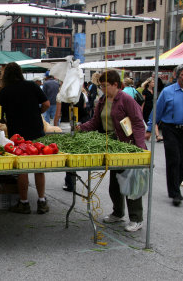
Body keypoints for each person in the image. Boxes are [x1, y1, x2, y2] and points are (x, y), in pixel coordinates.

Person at [77, 70, 147, 232]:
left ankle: (136, 219)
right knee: (115, 183)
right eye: (100, 85)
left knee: (131, 183)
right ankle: (118, 213)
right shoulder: (102, 100)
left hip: (128, 146)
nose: (102, 88)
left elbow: (137, 123)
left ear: (115, 84)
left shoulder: (126, 100)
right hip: (112, 146)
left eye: (104, 85)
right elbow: (95, 122)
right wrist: (81, 128)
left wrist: (138, 147)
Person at [145, 64, 183, 207]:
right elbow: (157, 111)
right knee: (174, 159)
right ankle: (175, 192)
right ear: (177, 76)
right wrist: (149, 128)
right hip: (170, 129)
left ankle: (174, 187)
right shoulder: (167, 92)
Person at [0, 62, 50, 214]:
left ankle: (24, 203)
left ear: (6, 76)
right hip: (36, 131)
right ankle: (41, 201)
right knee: (39, 167)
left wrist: (4, 121)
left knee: (22, 169)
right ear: (20, 73)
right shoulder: (32, 86)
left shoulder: (4, 91)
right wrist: (38, 111)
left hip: (17, 135)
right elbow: (46, 103)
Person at [54, 91, 90, 192]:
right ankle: (71, 179)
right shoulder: (82, 94)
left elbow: (57, 114)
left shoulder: (61, 94)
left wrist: (55, 126)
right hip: (78, 125)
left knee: (67, 153)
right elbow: (84, 109)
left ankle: (69, 181)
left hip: (65, 126)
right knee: (74, 153)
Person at [141, 77, 163, 142]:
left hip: (153, 108)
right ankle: (148, 135)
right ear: (149, 83)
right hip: (146, 109)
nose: (154, 83)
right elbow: (143, 101)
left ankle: (157, 136)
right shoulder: (145, 91)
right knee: (148, 122)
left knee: (154, 121)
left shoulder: (154, 91)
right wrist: (141, 109)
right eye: (153, 82)